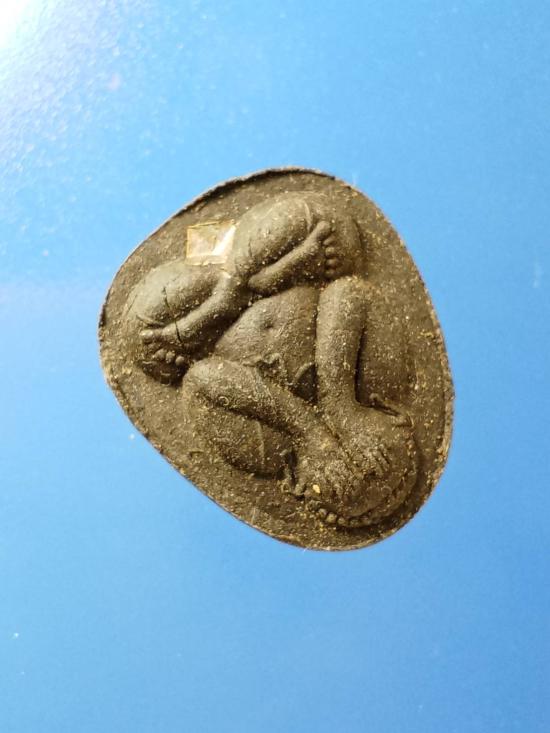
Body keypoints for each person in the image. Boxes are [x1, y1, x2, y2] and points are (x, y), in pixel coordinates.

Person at [124, 192, 417, 526]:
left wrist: (308, 431)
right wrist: (340, 405)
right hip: (294, 258)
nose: (348, 457)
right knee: (334, 231)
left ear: (297, 486)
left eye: (341, 485)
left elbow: (200, 379)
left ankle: (228, 295)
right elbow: (349, 292)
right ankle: (240, 280)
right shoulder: (385, 378)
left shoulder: (263, 453)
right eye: (377, 456)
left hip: (202, 318)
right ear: (396, 418)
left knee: (140, 343)